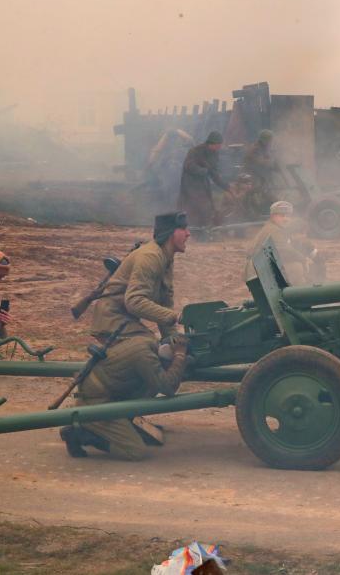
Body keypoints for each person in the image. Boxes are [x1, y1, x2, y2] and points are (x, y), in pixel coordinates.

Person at [61, 212, 191, 460]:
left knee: (156, 356)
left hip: (125, 319)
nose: (188, 234)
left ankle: (119, 419)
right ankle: (98, 424)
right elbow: (134, 302)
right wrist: (173, 319)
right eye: (184, 229)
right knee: (148, 358)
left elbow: (164, 302)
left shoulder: (166, 258)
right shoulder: (151, 257)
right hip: (114, 321)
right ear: (170, 232)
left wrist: (173, 339)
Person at [178, 131, 230, 227]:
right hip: (190, 184)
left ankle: (204, 229)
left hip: (202, 184)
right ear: (211, 143)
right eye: (218, 145)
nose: (219, 147)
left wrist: (226, 186)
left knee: (207, 207)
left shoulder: (214, 154)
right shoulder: (195, 151)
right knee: (197, 207)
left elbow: (214, 174)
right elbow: (188, 165)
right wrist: (202, 170)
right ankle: (196, 230)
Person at [242, 129, 282, 211]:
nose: (271, 142)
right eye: (270, 140)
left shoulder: (265, 148)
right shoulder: (255, 149)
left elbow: (270, 161)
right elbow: (260, 162)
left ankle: (264, 208)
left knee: (266, 191)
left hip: (260, 176)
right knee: (256, 193)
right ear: (265, 141)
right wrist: (272, 161)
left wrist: (277, 166)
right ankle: (252, 211)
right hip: (251, 176)